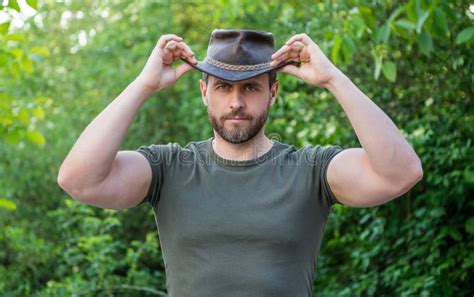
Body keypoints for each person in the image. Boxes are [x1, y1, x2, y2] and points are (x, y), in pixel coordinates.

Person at [58, 29, 423, 296]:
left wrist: (333, 80)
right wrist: (144, 84)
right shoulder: (169, 169)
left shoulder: (310, 171)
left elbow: (400, 173)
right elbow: (79, 179)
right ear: (204, 92)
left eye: (250, 87)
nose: (236, 102)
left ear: (273, 92)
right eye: (222, 87)